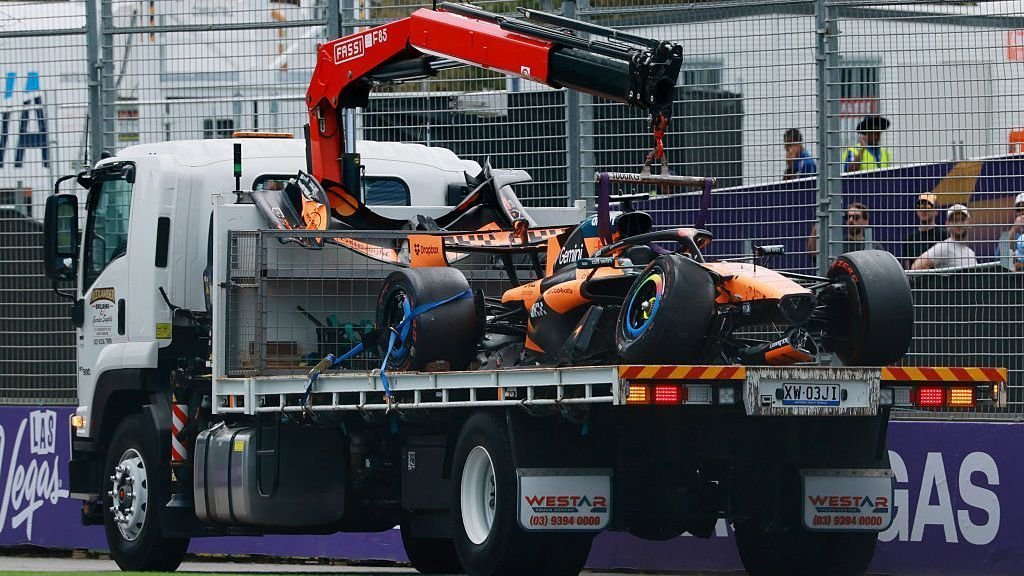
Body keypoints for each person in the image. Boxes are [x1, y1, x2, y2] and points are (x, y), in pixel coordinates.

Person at [912, 204, 978, 270]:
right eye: (954, 220)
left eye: (962, 219)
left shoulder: (971, 253)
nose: (958, 223)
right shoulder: (943, 247)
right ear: (947, 225)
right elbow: (916, 267)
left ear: (970, 223)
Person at [806, 202, 878, 260]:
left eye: (856, 217)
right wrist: (820, 219)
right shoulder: (836, 244)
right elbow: (814, 254)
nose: (850, 220)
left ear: (866, 221)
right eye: (848, 217)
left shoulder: (874, 246)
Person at [902, 193, 945, 269]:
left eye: (928, 206)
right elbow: (907, 269)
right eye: (920, 206)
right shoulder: (910, 239)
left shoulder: (944, 235)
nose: (923, 210)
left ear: (936, 211)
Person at [1009, 192, 1024, 272]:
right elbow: (999, 256)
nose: (1022, 212)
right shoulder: (1012, 233)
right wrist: (1014, 229)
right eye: (1019, 209)